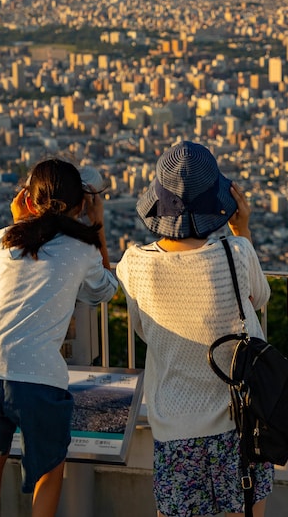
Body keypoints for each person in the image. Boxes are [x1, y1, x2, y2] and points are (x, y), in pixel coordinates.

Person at [0, 158, 118, 517]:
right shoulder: (81, 251)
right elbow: (104, 290)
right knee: (49, 465)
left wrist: (18, 221)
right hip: (37, 376)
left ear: (28, 199)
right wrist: (97, 226)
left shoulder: (8, 240)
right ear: (81, 203)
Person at [116, 141, 273, 517]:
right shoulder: (236, 252)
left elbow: (144, 329)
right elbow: (259, 298)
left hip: (175, 427)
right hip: (241, 422)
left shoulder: (134, 265)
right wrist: (242, 229)